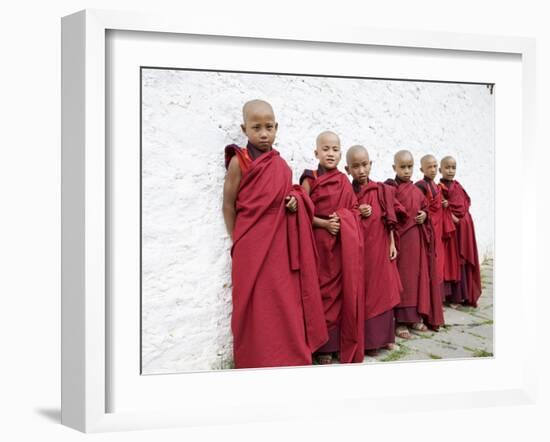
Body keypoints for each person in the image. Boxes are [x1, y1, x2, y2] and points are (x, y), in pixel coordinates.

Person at [222, 99, 328, 369]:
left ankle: (286, 355)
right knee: (252, 303)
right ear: (244, 129)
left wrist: (293, 201)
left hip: (278, 243)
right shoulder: (239, 161)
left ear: (276, 127)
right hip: (250, 241)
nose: (264, 133)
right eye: (256, 127)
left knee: (282, 300)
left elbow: (288, 194)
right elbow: (228, 204)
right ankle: (255, 359)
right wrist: (238, 241)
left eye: (269, 127)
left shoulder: (280, 165)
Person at [300, 131, 364, 364]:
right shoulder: (310, 179)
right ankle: (321, 346)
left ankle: (336, 343)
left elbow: (354, 210)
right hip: (317, 244)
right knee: (320, 292)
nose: (330, 153)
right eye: (325, 149)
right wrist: (325, 223)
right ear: (316, 152)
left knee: (339, 293)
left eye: (335, 149)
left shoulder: (344, 181)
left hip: (340, 246)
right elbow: (302, 212)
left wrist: (348, 217)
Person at [345, 145, 402, 356]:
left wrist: (392, 243)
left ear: (371, 164)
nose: (361, 170)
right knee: (365, 294)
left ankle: (386, 339)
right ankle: (368, 341)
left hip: (381, 247)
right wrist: (356, 211)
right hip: (359, 252)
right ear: (347, 169)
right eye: (356, 166)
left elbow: (390, 219)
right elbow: (342, 213)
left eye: (364, 164)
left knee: (384, 291)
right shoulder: (347, 191)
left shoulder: (381, 190)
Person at [385, 150, 444, 339]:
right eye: (402, 167)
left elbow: (424, 209)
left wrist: (424, 216)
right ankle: (401, 322)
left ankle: (415, 318)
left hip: (416, 241)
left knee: (417, 279)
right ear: (394, 167)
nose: (407, 171)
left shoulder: (417, 190)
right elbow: (388, 214)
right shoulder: (390, 189)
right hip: (401, 242)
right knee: (403, 280)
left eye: (410, 167)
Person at [439, 156, 482, 307]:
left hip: (463, 229)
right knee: (450, 262)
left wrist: (460, 220)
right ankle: (450, 297)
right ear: (440, 170)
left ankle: (461, 295)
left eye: (453, 167)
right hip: (449, 232)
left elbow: (463, 207)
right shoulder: (439, 188)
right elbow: (438, 209)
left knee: (462, 263)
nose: (450, 171)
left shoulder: (458, 187)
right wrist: (447, 212)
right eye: (447, 167)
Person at [415, 154, 446, 302]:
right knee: (428, 263)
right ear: (422, 169)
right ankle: (427, 297)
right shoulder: (420, 186)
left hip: (437, 230)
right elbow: (418, 206)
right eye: (429, 167)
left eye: (435, 166)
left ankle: (436, 297)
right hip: (427, 230)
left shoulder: (436, 186)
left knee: (438, 261)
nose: (433, 169)